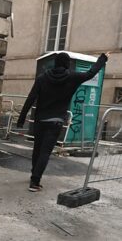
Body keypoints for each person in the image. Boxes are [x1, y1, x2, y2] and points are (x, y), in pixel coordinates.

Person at [17, 52, 109, 192]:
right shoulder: (72, 77)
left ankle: (34, 176)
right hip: (56, 121)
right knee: (45, 152)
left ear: (55, 63)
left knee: (37, 149)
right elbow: (91, 73)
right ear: (67, 63)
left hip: (40, 120)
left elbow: (31, 97)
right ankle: (35, 182)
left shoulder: (42, 78)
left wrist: (21, 118)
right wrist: (103, 58)